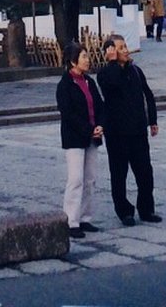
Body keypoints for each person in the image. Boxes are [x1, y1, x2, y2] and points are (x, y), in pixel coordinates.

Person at [96, 34, 161, 226]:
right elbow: (113, 85)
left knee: (145, 173)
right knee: (119, 174)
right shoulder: (105, 73)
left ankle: (146, 209)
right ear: (111, 51)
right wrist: (114, 63)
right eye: (120, 47)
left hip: (138, 130)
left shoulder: (136, 70)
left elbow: (148, 95)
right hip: (117, 133)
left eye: (125, 46)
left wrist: (152, 120)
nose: (125, 50)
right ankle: (124, 211)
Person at [55, 42, 104, 239]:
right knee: (75, 179)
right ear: (73, 61)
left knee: (90, 179)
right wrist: (89, 129)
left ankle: (85, 217)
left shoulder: (89, 82)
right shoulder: (65, 85)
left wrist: (100, 125)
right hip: (75, 137)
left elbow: (100, 106)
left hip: (93, 136)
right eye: (83, 56)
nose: (87, 60)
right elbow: (68, 114)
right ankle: (71, 220)